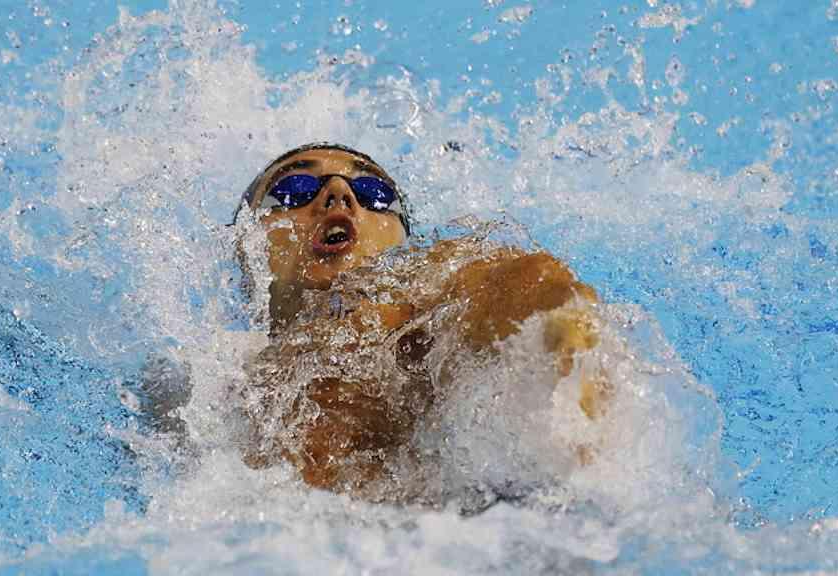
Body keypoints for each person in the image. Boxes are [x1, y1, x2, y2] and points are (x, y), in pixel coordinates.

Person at [231, 143, 609, 504]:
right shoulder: (218, 384)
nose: (339, 192)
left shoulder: (418, 309)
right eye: (294, 189)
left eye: (373, 192)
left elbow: (504, 282)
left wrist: (556, 324)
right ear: (244, 246)